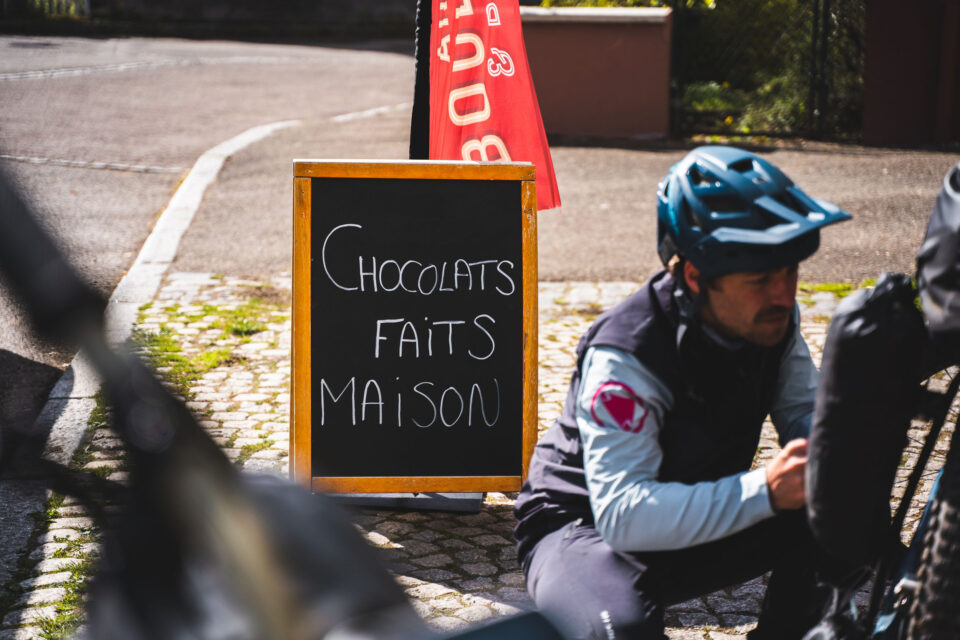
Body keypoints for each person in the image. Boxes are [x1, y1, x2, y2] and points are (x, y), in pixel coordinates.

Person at [513, 145, 851, 640]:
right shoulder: (627, 356)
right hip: (584, 526)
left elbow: (803, 410)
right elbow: (624, 515)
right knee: (619, 631)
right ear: (694, 276)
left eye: (790, 273)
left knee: (839, 507)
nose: (783, 296)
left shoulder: (770, 320)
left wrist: (837, 452)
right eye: (760, 280)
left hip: (680, 510)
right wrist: (764, 490)